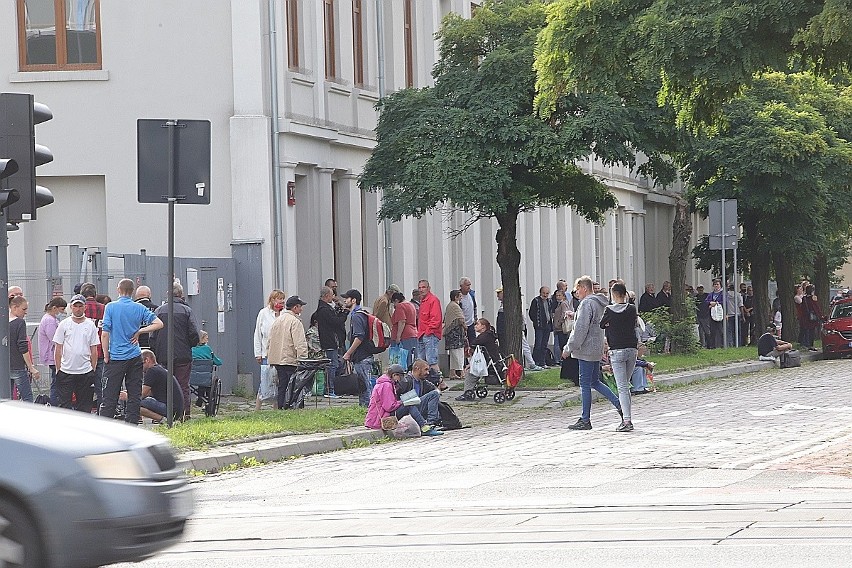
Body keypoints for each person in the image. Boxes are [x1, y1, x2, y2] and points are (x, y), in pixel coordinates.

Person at [99, 278, 163, 425]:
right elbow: (159, 323)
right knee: (134, 395)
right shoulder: (139, 308)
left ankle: (105, 426)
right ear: (133, 291)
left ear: (118, 290)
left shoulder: (111, 307)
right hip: (134, 355)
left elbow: (105, 333)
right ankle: (132, 424)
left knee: (110, 395)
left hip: (116, 356)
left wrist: (106, 354)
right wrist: (140, 331)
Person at [563, 276, 622, 431]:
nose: (576, 293)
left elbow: (580, 329)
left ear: (584, 287)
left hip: (585, 349)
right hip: (596, 347)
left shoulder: (586, 303)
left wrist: (568, 348)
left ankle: (585, 418)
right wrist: (574, 315)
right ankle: (619, 404)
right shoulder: (599, 302)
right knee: (595, 382)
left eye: (577, 290)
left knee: (584, 384)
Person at [150, 283, 200, 420]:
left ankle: (163, 414)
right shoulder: (186, 311)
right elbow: (194, 333)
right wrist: (190, 345)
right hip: (183, 355)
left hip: (163, 355)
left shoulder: (159, 311)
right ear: (181, 295)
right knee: (183, 385)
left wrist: (156, 350)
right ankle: (184, 414)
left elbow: (152, 335)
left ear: (168, 294)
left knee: (163, 385)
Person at [599, 282, 638, 432]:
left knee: (622, 387)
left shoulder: (609, 310)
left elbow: (602, 324)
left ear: (614, 295)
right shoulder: (631, 309)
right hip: (631, 348)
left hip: (617, 350)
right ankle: (627, 417)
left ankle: (627, 421)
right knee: (625, 385)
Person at [364, 363, 442, 436]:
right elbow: (389, 406)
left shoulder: (387, 383)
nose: (400, 380)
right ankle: (424, 427)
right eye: (399, 377)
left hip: (385, 414)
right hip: (381, 418)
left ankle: (425, 426)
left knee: (410, 403)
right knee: (409, 405)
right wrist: (402, 401)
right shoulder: (386, 385)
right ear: (394, 375)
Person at [52, 294, 99, 412]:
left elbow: (94, 349)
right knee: (64, 405)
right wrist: (58, 368)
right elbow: (58, 347)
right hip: (66, 371)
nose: (78, 309)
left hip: (85, 371)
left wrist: (93, 368)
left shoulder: (90, 325)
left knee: (85, 406)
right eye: (75, 306)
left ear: (85, 307)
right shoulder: (64, 324)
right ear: (71, 307)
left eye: (80, 306)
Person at [267, 295, 309, 409]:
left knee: (282, 385)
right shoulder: (295, 322)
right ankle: (294, 405)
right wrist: (303, 359)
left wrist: (270, 356)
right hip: (290, 359)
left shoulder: (278, 320)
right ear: (295, 307)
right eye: (300, 307)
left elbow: (270, 340)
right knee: (295, 385)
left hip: (277, 359)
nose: (301, 309)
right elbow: (300, 344)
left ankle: (281, 406)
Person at [312, 286, 347, 398]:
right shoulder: (324, 310)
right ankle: (330, 389)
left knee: (337, 363)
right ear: (326, 296)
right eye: (332, 295)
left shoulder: (326, 308)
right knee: (332, 365)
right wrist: (344, 313)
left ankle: (332, 388)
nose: (333, 297)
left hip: (332, 341)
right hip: (330, 341)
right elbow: (336, 322)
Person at [341, 289, 374, 407]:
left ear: (354, 300)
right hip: (364, 356)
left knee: (365, 386)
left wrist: (348, 353)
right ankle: (366, 409)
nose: (344, 300)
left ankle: (369, 410)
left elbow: (359, 337)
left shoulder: (357, 316)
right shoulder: (361, 314)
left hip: (362, 357)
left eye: (347, 298)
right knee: (363, 385)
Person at [254, 289, 285, 410]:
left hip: (281, 352)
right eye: (279, 299)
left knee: (278, 380)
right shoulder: (263, 313)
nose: (281, 301)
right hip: (267, 352)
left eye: (283, 299)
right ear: (272, 300)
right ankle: (258, 407)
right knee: (266, 379)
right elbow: (258, 334)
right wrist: (258, 353)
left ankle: (275, 408)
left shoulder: (284, 314)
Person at [456, 318, 501, 401]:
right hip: (492, 362)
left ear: (483, 327)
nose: (475, 326)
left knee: (470, 373)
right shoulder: (490, 335)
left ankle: (467, 393)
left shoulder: (484, 337)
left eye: (477, 324)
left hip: (487, 365)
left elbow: (473, 344)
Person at [140, 349, 184, 423]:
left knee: (134, 403)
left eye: (140, 364)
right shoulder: (159, 369)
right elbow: (148, 393)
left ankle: (165, 421)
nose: (139, 367)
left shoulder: (152, 371)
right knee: (141, 400)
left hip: (170, 409)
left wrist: (128, 396)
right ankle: (168, 420)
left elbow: (142, 394)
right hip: (177, 409)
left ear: (147, 360)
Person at [80, 282, 106, 412]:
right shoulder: (103, 309)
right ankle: (103, 411)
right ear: (95, 294)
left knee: (83, 386)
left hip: (83, 352)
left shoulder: (80, 309)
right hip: (100, 350)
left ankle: (85, 411)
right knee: (101, 384)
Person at [9, 295, 39, 402]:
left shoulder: (4, 321)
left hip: (4, 366)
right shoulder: (19, 323)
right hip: (17, 365)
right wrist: (31, 367)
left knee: (7, 398)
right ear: (14, 307)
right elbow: (23, 346)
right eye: (24, 309)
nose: (25, 312)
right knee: (27, 398)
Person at [396, 359, 441, 429]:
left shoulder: (423, 381)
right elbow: (396, 398)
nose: (428, 373)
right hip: (405, 409)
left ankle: (433, 422)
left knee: (434, 395)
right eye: (425, 370)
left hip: (415, 407)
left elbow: (436, 390)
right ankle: (430, 423)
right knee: (434, 394)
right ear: (417, 369)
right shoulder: (406, 381)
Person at [38, 297, 67, 405]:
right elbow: (54, 338)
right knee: (57, 382)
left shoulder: (51, 319)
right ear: (54, 308)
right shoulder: (49, 321)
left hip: (53, 355)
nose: (63, 312)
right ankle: (55, 404)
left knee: (57, 381)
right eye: (62, 309)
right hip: (52, 355)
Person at [416, 280, 443, 381]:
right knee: (421, 362)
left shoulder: (433, 300)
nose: (421, 289)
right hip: (422, 334)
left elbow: (436, 319)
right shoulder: (423, 301)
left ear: (428, 288)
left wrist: (428, 331)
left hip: (429, 334)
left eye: (423, 287)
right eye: (420, 287)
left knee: (431, 361)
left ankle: (440, 382)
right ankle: (426, 383)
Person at [389, 291, 418, 371]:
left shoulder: (400, 306)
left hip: (404, 335)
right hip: (413, 333)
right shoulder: (411, 305)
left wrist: (398, 337)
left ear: (396, 300)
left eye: (393, 303)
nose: (394, 306)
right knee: (411, 357)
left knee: (403, 358)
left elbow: (402, 321)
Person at [443, 289, 467, 379]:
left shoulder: (450, 305)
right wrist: (465, 327)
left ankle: (452, 373)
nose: (461, 298)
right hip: (456, 333)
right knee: (458, 353)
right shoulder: (455, 306)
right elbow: (460, 318)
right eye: (460, 296)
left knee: (453, 354)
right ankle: (461, 372)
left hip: (451, 333)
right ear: (456, 297)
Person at [528, 286, 552, 368]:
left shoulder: (549, 301)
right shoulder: (536, 301)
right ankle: (535, 362)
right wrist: (536, 321)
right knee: (538, 344)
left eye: (547, 293)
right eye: (544, 293)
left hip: (547, 325)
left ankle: (542, 362)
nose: (545, 295)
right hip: (539, 326)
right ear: (540, 292)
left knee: (544, 345)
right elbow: (531, 313)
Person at [800, 285, 824, 351]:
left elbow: (802, 308)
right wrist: (820, 316)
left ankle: (806, 344)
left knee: (807, 330)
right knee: (812, 331)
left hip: (806, 317)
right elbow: (816, 308)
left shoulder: (804, 298)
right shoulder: (813, 298)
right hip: (812, 317)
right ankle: (810, 344)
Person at [552, 288, 572, 362]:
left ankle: (563, 359)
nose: (558, 297)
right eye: (557, 296)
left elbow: (564, 313)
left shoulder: (563, 303)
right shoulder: (559, 304)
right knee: (560, 343)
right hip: (558, 328)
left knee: (562, 343)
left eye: (559, 295)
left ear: (563, 296)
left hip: (561, 328)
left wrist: (559, 323)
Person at [705, 279, 725, 348]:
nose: (716, 286)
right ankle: (712, 346)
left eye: (717, 284)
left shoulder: (723, 294)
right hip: (712, 314)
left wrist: (716, 303)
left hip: (720, 314)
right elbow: (706, 302)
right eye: (715, 284)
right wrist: (710, 303)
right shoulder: (711, 294)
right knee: (712, 331)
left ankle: (723, 345)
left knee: (721, 331)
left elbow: (724, 302)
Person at [458, 277, 478, 347]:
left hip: (471, 323)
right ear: (461, 286)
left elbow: (474, 307)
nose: (469, 287)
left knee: (473, 343)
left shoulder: (471, 294)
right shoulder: (458, 297)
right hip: (462, 325)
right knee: (464, 345)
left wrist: (475, 318)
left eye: (469, 285)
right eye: (467, 285)